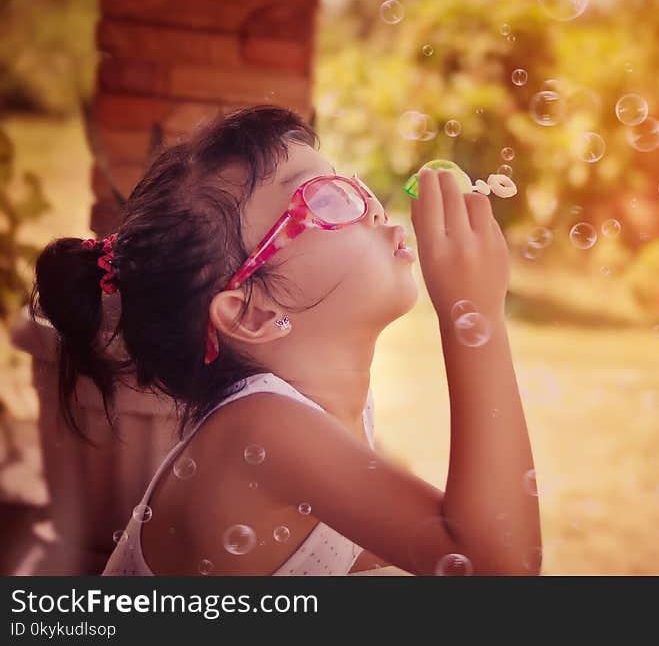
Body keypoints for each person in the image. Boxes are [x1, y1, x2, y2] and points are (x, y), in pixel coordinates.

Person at [29, 105, 541, 575]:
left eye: (348, 181)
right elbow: (495, 565)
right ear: (250, 312)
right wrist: (475, 316)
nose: (368, 202)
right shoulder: (261, 430)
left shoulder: (318, 413)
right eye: (324, 197)